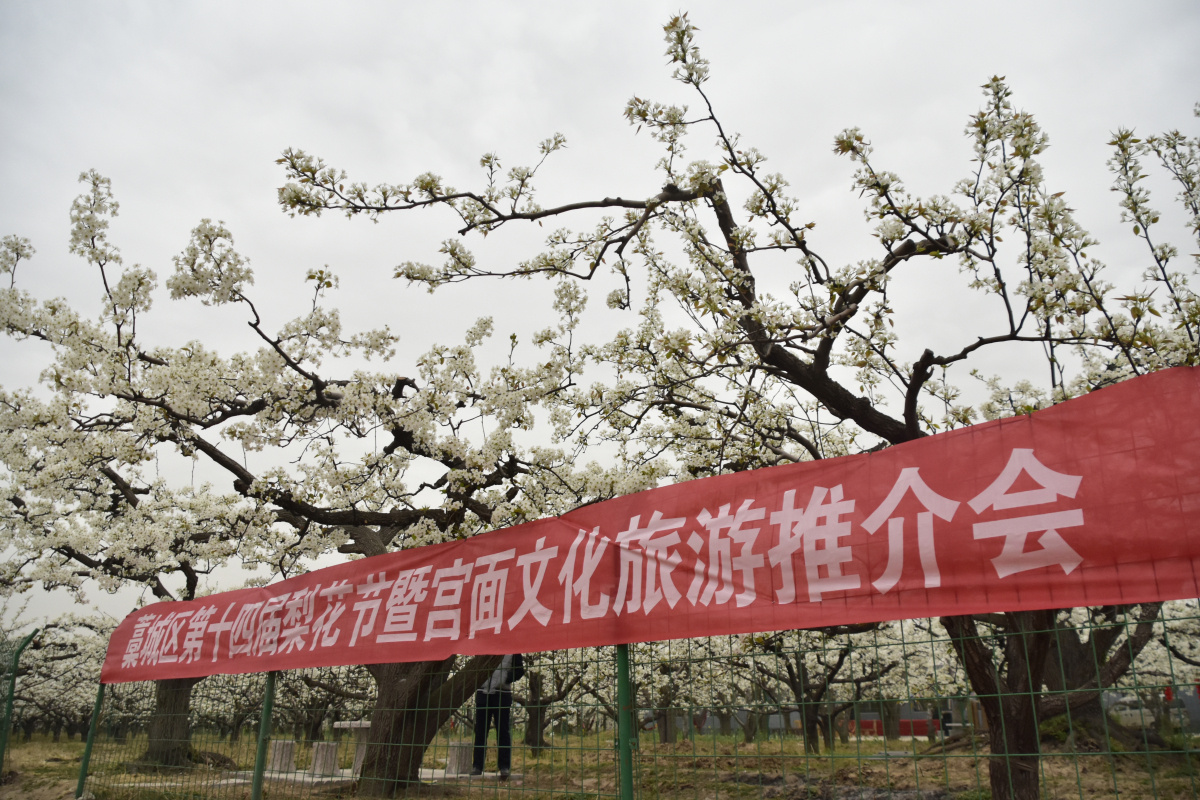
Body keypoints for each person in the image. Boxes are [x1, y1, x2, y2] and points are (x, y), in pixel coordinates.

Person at [472, 653, 524, 778]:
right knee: (480, 731)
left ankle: (504, 767)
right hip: (483, 693)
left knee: (503, 731)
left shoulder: (513, 650)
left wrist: (505, 677)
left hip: (502, 693)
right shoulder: (483, 646)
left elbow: (519, 671)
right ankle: (477, 766)